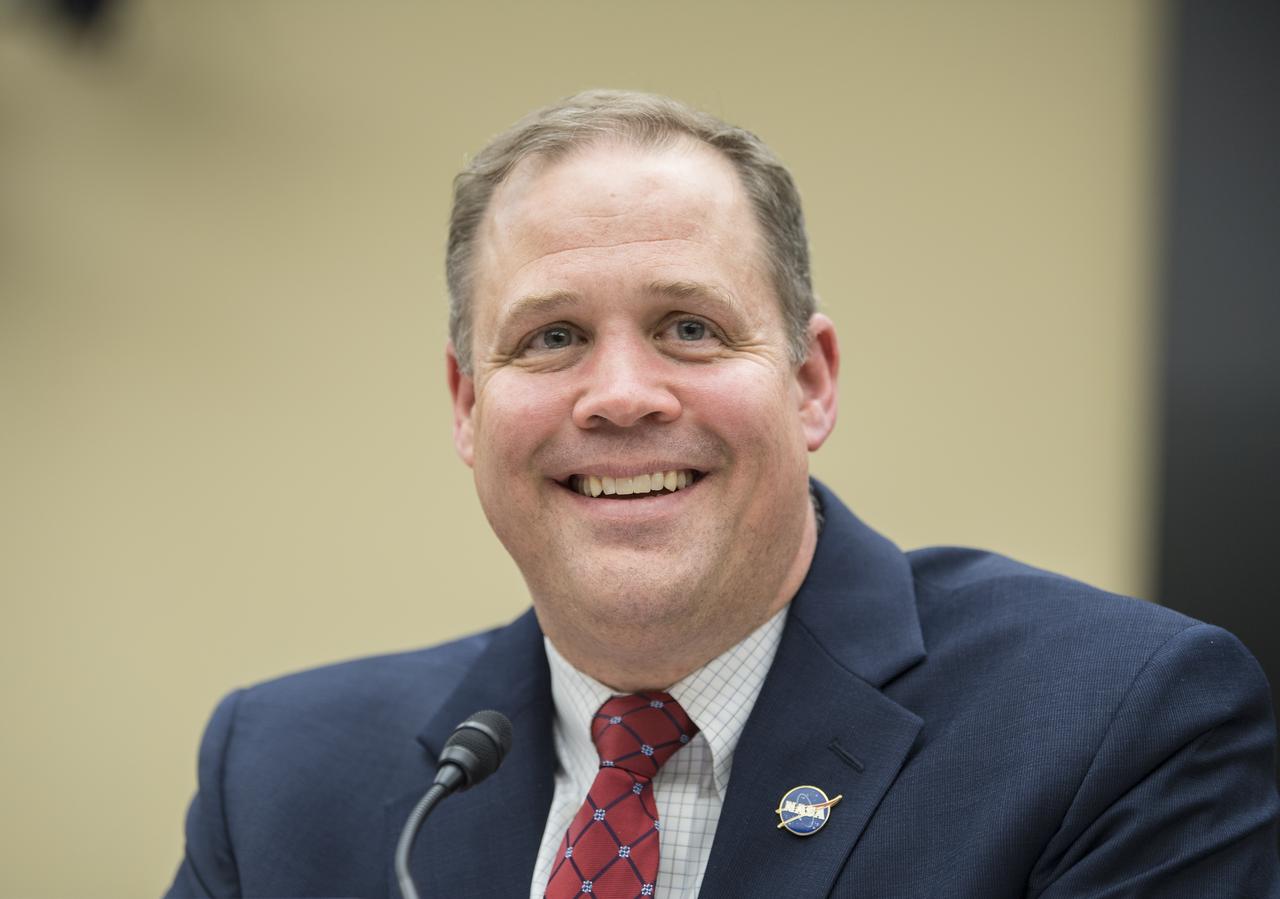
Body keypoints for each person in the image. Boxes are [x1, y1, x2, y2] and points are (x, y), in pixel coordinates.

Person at [166, 90, 1280, 898]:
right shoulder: (278, 774)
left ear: (809, 379)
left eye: (687, 328)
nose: (618, 395)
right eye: (550, 337)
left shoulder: (1116, 722)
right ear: (466, 404)